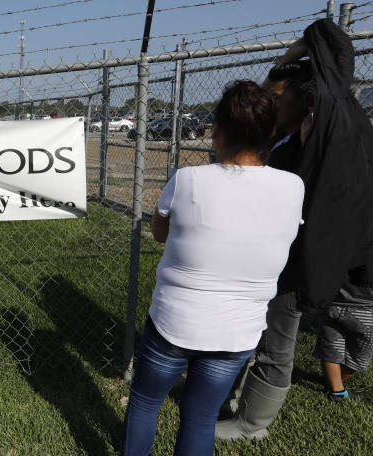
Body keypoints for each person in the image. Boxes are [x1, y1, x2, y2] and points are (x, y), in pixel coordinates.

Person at [216, 19, 373, 440]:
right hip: (279, 252)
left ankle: (253, 424)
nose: (270, 105)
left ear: (306, 95)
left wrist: (295, 53)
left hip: (301, 257)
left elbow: (335, 54)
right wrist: (280, 71)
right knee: (258, 331)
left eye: (277, 98)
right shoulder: (292, 138)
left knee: (277, 337)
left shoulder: (329, 122)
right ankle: (234, 398)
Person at [122, 80, 304, 456]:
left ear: (216, 130)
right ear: (272, 132)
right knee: (201, 416)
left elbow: (159, 233)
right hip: (238, 330)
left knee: (144, 402)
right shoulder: (293, 187)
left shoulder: (188, 179)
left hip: (175, 321)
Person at [315, 200, 373, 401]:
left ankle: (335, 388)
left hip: (333, 308)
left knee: (330, 349)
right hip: (368, 316)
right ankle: (339, 384)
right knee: (356, 359)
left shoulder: (333, 248)